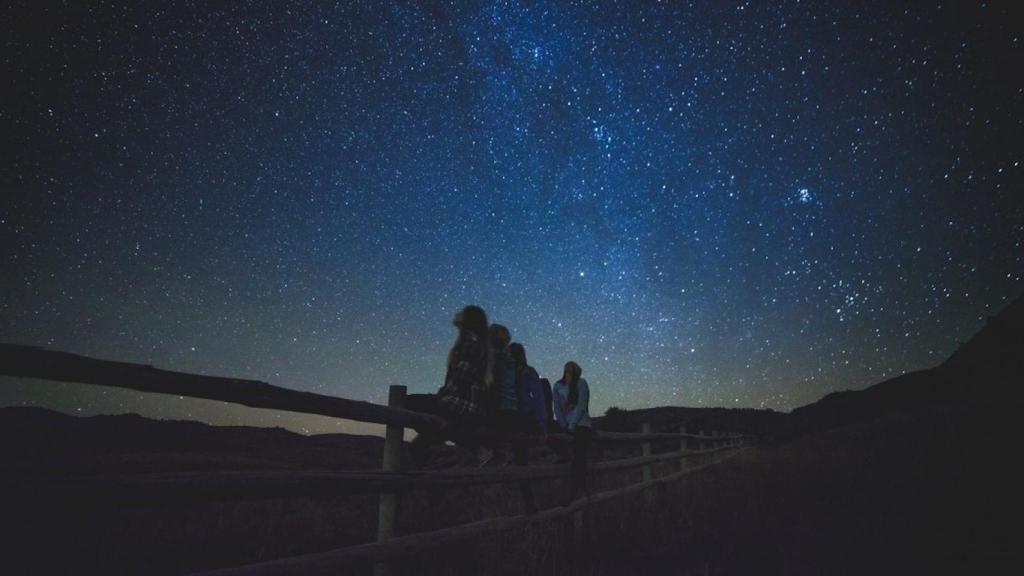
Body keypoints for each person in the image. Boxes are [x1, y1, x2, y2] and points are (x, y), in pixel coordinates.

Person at [407, 305, 491, 467]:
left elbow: (460, 380)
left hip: (463, 404)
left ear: (468, 320)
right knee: (419, 446)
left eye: (462, 313)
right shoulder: (475, 343)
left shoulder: (469, 344)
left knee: (408, 402)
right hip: (467, 404)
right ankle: (463, 445)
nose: (457, 313)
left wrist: (440, 397)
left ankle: (473, 446)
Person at [552, 361, 593, 505]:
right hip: (567, 426)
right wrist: (564, 425)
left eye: (571, 370)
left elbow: (581, 406)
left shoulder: (581, 383)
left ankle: (573, 494)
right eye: (567, 370)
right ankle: (583, 491)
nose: (568, 372)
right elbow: (557, 408)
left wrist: (572, 426)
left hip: (581, 425)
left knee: (578, 457)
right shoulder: (558, 386)